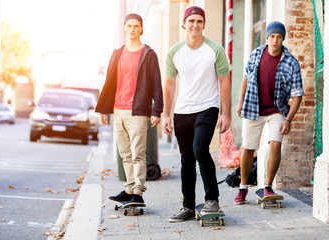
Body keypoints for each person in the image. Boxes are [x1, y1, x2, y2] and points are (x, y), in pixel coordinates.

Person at [162, 6, 231, 222]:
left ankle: (212, 199)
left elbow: (224, 81)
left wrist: (226, 113)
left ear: (204, 24)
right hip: (182, 111)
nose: (195, 25)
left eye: (199, 21)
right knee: (186, 159)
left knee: (200, 149)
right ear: (184, 23)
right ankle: (188, 206)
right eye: (191, 21)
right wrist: (166, 114)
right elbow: (170, 85)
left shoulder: (215, 50)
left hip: (208, 107)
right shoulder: (174, 52)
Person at [95, 13, 163, 204]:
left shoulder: (148, 54)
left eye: (136, 26)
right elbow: (109, 83)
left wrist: (157, 110)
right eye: (129, 26)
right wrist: (103, 109)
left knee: (138, 153)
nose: (132, 29)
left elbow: (157, 84)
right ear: (124, 28)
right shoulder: (117, 53)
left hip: (138, 111)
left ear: (141, 29)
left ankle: (138, 193)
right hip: (119, 109)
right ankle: (129, 188)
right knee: (125, 153)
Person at [234, 21, 304, 204]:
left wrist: (288, 120)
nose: (275, 40)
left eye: (279, 37)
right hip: (253, 107)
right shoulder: (256, 54)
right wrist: (240, 102)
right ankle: (242, 187)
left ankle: (267, 186)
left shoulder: (291, 62)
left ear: (283, 39)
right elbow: (246, 79)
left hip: (277, 110)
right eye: (272, 36)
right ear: (267, 37)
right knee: (248, 148)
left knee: (275, 144)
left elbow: (297, 96)